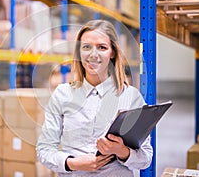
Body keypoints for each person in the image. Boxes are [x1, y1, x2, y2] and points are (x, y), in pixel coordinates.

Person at [36, 20, 153, 176]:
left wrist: (121, 151)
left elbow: (146, 158)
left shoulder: (131, 97)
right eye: (86, 47)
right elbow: (44, 150)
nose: (93, 54)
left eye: (102, 47)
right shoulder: (62, 94)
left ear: (112, 53)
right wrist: (72, 163)